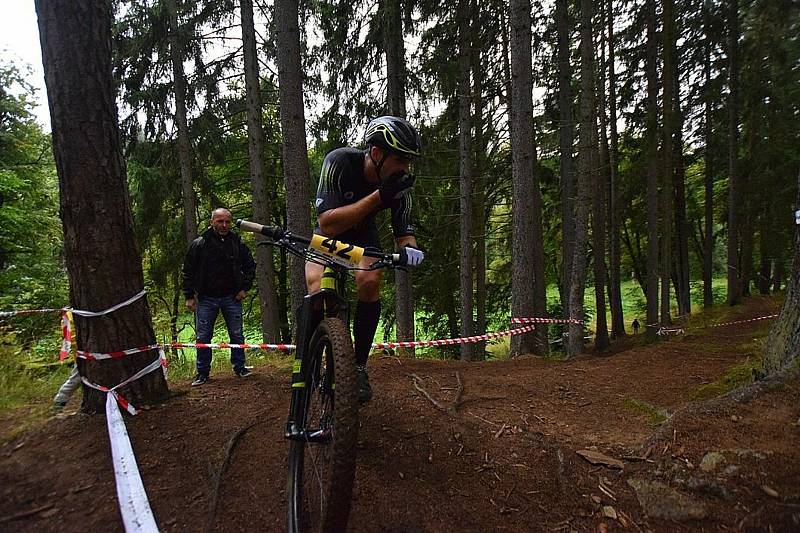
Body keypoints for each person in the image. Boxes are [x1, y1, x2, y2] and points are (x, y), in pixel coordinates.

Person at [306, 116, 424, 404]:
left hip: (363, 237)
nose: (405, 168)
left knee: (370, 279)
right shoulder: (340, 162)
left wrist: (411, 250)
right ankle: (309, 357)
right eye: (401, 160)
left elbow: (404, 233)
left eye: (409, 162)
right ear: (376, 154)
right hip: (330, 234)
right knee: (315, 284)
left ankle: (357, 366)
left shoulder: (399, 186)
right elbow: (328, 222)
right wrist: (378, 197)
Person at [183, 207, 256, 386]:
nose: (224, 225)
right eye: (220, 221)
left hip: (232, 298)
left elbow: (250, 267)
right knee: (203, 337)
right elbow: (188, 271)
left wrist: (244, 288)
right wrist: (189, 296)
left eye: (227, 221)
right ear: (212, 222)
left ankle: (240, 367)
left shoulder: (236, 243)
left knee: (237, 335)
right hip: (206, 298)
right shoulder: (199, 244)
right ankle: (202, 373)